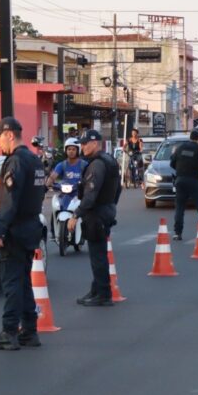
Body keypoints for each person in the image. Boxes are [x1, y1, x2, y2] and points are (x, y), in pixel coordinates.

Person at [0, 117, 46, 351]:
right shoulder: (34, 161)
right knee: (23, 283)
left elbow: (9, 201)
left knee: (11, 284)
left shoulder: (16, 162)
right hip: (30, 228)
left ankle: (9, 331)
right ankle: (29, 331)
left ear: (10, 134)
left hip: (16, 230)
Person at [70, 130, 121, 306]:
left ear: (95, 143)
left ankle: (103, 294)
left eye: (84, 143)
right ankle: (96, 289)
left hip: (97, 213)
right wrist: (111, 206)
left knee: (97, 255)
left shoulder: (97, 164)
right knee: (98, 254)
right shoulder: (109, 160)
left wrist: (76, 214)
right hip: (105, 210)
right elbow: (118, 188)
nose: (81, 147)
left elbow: (90, 196)